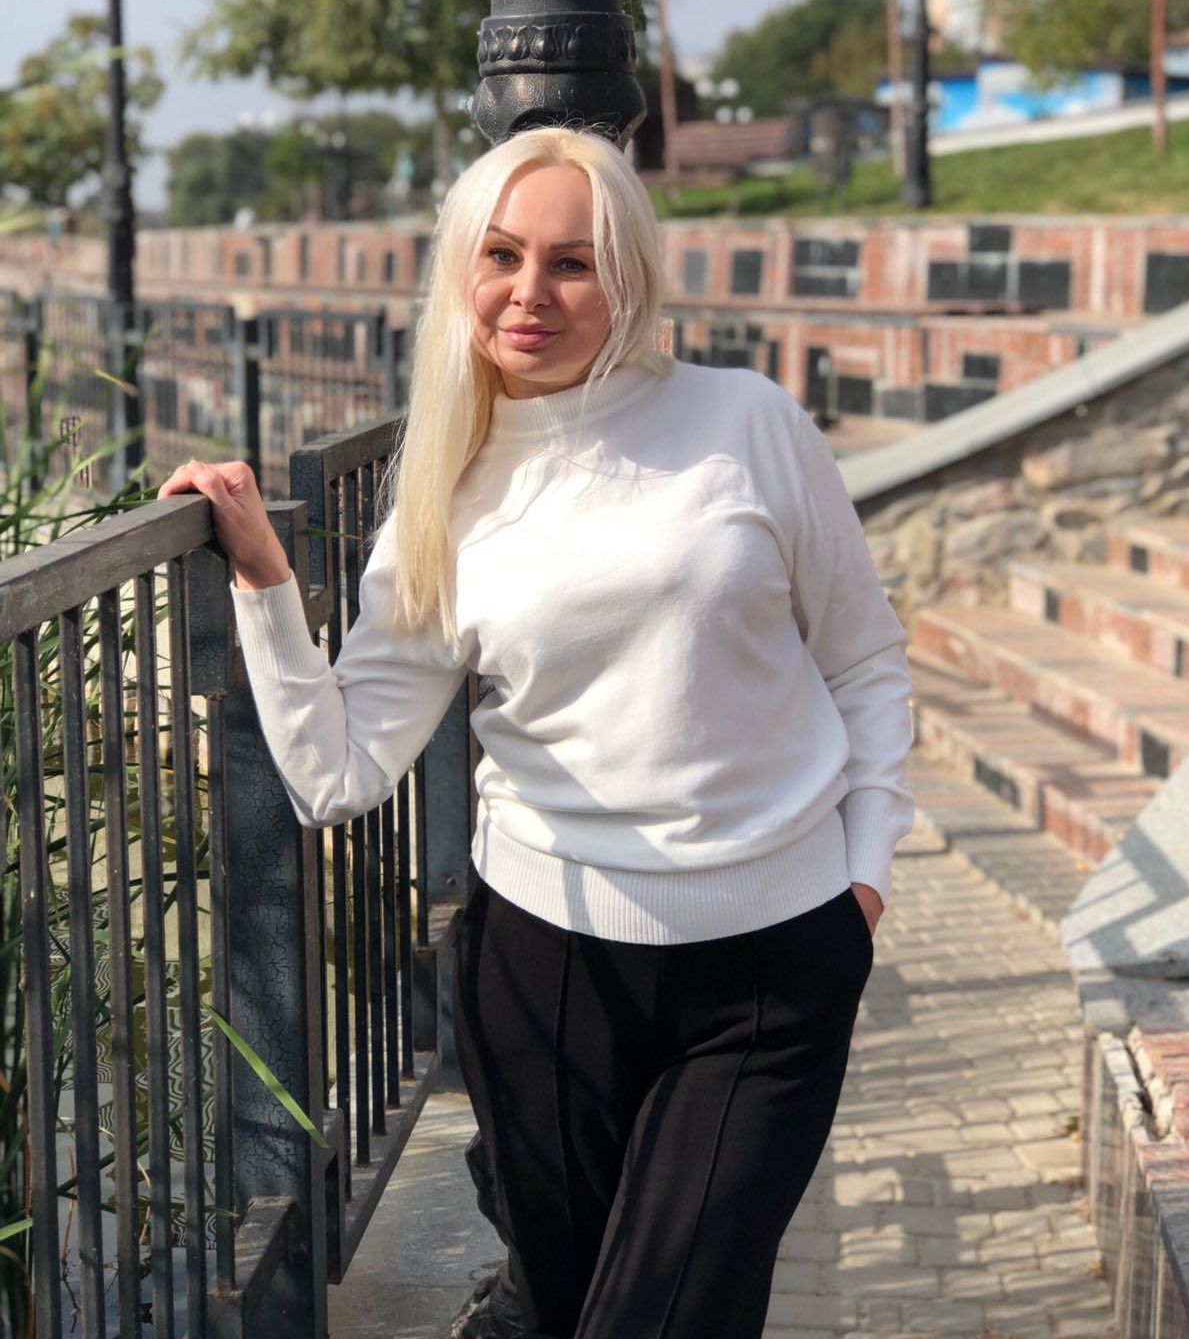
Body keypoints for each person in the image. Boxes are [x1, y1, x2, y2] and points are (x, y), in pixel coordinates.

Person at [156, 124, 914, 1339]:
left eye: (573, 261)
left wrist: (864, 873)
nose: (531, 293)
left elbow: (865, 659)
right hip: (545, 970)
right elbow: (336, 772)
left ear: (628, 275)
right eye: (501, 255)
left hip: (771, 969)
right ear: (462, 269)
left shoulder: (749, 422)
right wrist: (263, 579)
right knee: (558, 1309)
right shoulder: (444, 491)